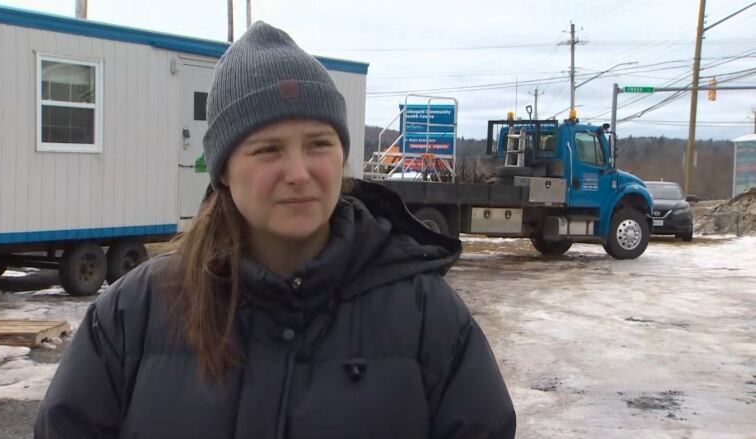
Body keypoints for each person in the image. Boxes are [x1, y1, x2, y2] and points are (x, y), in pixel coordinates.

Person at [35, 22, 515, 439]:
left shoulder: (426, 318)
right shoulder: (133, 314)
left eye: (318, 144)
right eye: (268, 150)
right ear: (223, 170)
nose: (299, 172)